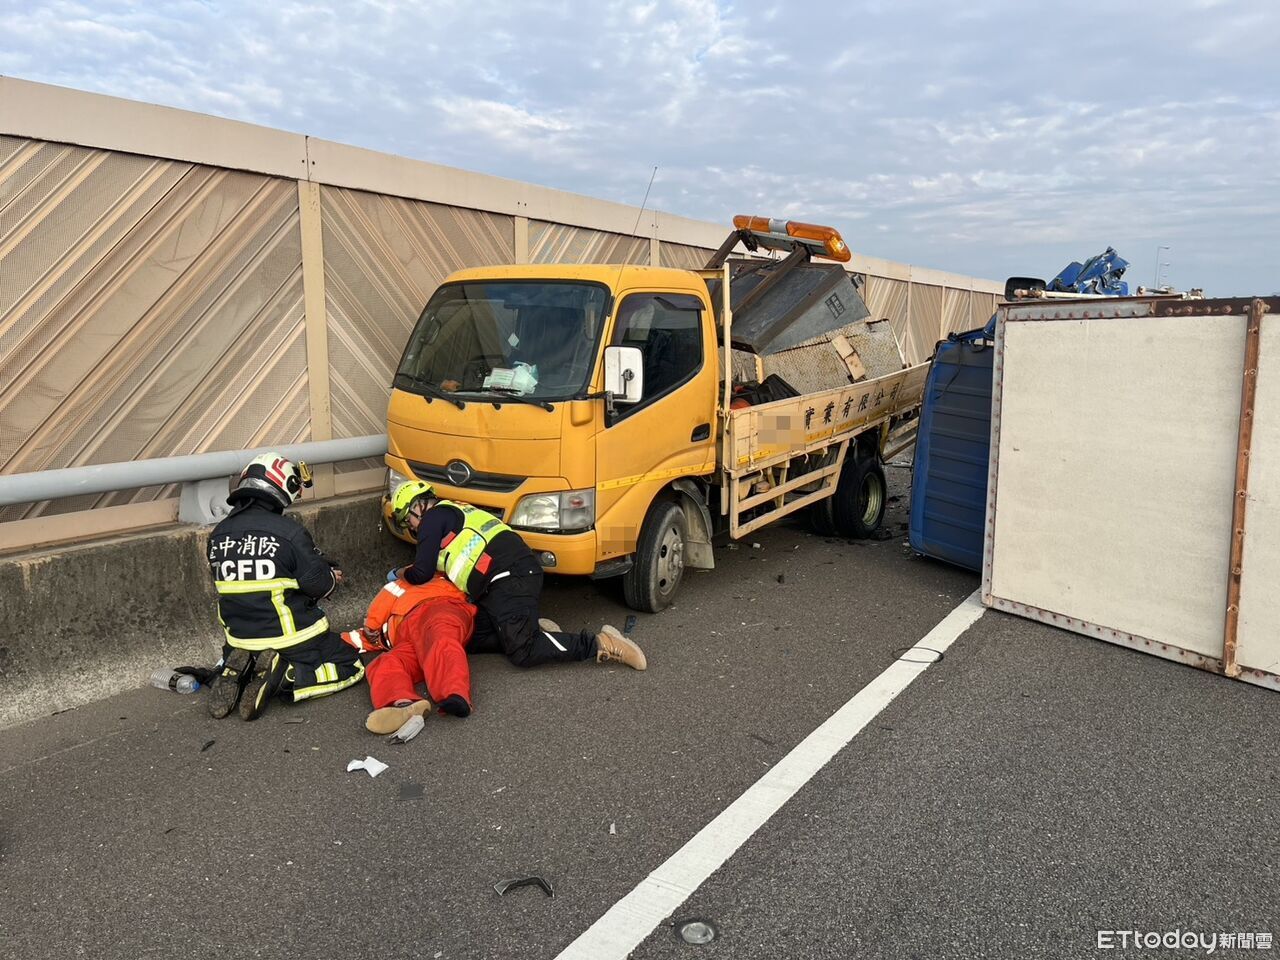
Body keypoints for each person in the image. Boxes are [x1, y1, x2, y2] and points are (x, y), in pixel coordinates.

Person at [386, 480, 646, 671]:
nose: (411, 527)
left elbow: (421, 573)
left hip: (511, 576)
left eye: (408, 520)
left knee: (524, 652)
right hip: (498, 584)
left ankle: (602, 644)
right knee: (467, 635)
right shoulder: (451, 513)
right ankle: (530, 629)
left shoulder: (433, 518)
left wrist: (397, 573)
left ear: (418, 507)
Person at [205, 453, 365, 720]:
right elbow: (318, 585)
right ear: (282, 486)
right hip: (290, 640)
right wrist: (330, 575)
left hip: (238, 641)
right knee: (351, 666)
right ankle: (288, 674)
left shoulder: (218, 534)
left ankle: (240, 672)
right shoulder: (288, 532)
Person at [341, 574, 478, 734]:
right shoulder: (384, 632)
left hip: (438, 606)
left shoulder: (415, 581)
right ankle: (402, 704)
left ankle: (455, 694)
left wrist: (371, 624)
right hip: (408, 635)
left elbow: (383, 601)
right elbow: (354, 640)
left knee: (441, 639)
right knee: (386, 662)